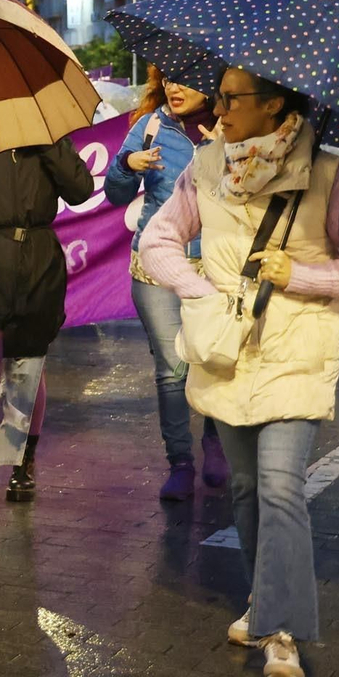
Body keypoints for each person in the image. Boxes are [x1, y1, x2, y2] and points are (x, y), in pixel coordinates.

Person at [140, 66, 339, 677]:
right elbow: (157, 240)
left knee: (281, 485)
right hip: (226, 352)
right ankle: (262, 598)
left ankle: (282, 636)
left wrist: (299, 276)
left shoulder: (332, 176)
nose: (220, 110)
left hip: (297, 350)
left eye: (232, 99)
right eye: (220, 97)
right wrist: (200, 291)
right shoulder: (204, 167)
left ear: (275, 104)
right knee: (248, 488)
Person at [103, 66, 229, 499]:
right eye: (169, 79)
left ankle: (215, 441)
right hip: (156, 266)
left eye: (185, 79)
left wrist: (224, 155)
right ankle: (180, 464)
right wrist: (126, 165)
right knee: (172, 368)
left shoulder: (231, 128)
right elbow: (115, 194)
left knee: (212, 359)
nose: (174, 87)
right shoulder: (150, 127)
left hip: (215, 266)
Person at [0, 137, 93, 508]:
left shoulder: (51, 138)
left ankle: (23, 461)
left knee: (29, 366)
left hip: (39, 261)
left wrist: (48, 147)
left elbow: (80, 190)